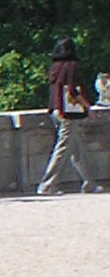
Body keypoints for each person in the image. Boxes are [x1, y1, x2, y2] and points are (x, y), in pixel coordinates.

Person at [37, 36, 100, 194]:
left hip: (55, 110)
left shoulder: (55, 67)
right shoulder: (71, 66)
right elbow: (72, 91)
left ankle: (89, 183)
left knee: (76, 149)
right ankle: (47, 184)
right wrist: (88, 107)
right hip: (68, 113)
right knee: (63, 148)